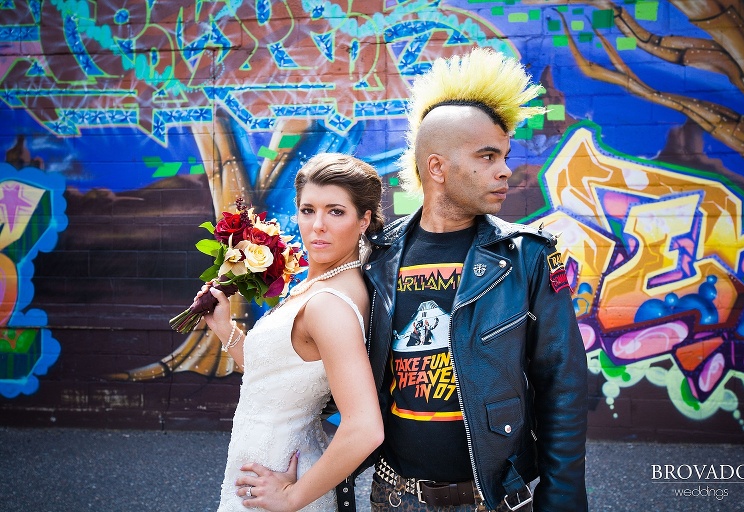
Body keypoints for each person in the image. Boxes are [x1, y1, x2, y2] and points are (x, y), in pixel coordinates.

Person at [361, 47, 588, 511]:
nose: (504, 169)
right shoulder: (377, 256)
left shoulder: (526, 257)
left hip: (495, 496)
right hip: (395, 495)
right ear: (437, 168)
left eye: (504, 155)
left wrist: (562, 497)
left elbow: (561, 383)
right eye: (487, 156)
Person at [200, 153, 385, 511]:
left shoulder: (329, 304)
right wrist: (226, 330)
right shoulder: (317, 285)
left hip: (278, 479)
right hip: (266, 466)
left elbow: (365, 428)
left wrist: (290, 498)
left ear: (364, 220)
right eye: (307, 210)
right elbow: (281, 377)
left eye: (335, 211)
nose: (317, 225)